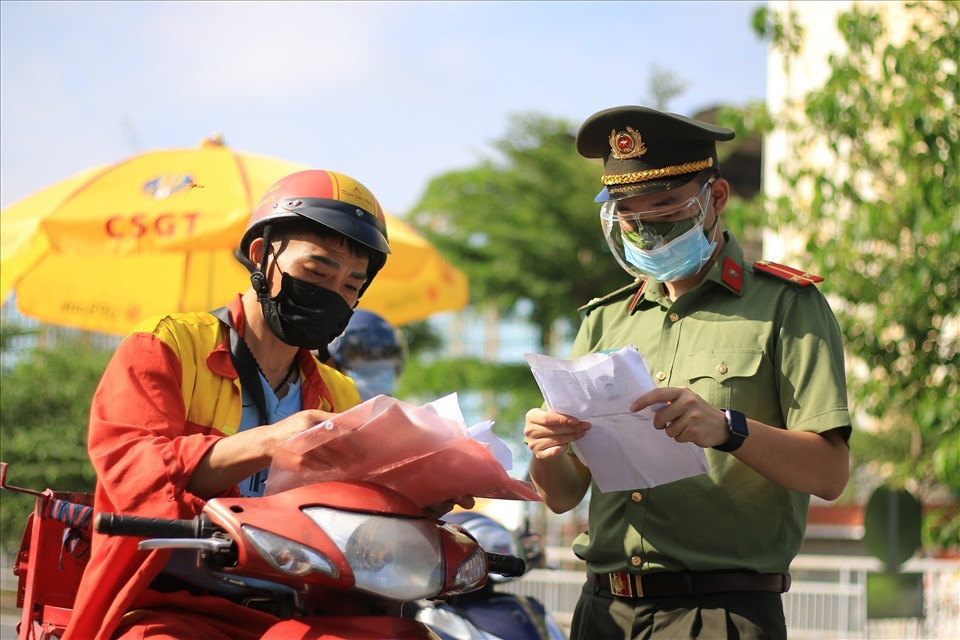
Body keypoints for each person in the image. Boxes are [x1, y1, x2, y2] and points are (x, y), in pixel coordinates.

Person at [64, 169, 470, 640]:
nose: (332, 294)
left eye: (350, 286)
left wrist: (416, 502)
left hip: (301, 613)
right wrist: (270, 441)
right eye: (316, 273)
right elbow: (133, 475)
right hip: (167, 603)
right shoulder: (165, 345)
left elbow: (352, 524)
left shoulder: (340, 394)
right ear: (261, 255)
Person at [523, 106, 851, 639]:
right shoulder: (605, 319)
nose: (646, 229)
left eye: (665, 206)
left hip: (719, 613)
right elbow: (562, 495)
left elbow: (830, 474)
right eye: (628, 213)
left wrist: (728, 428)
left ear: (715, 198)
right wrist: (545, 451)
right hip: (603, 612)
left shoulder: (786, 305)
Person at [327, 309, 407, 401]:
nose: (380, 363)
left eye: (387, 354)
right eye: (368, 355)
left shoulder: (397, 408)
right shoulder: (322, 405)